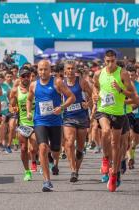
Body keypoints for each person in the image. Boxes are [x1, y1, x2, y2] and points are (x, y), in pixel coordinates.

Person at [27, 60, 75, 192]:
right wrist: (29, 111)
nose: (43, 72)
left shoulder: (57, 82)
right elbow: (29, 99)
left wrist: (62, 107)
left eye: (45, 69)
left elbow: (72, 97)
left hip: (55, 122)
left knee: (55, 150)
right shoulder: (33, 85)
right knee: (42, 147)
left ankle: (51, 160)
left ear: (50, 70)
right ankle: (47, 181)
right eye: (40, 69)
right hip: (39, 121)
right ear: (37, 70)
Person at [93, 50, 135, 192]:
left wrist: (120, 90)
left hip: (118, 112)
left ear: (116, 60)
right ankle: (105, 159)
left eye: (112, 61)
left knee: (115, 145)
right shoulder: (99, 74)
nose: (110, 64)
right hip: (103, 110)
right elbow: (95, 87)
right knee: (105, 131)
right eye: (107, 61)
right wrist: (95, 95)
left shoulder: (122, 73)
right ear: (104, 61)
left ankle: (114, 174)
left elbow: (132, 94)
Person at [62, 61, 92, 183]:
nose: (70, 71)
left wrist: (88, 104)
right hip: (68, 117)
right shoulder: (61, 83)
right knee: (69, 143)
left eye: (72, 68)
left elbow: (93, 96)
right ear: (65, 71)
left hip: (81, 117)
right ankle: (73, 170)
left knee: (80, 148)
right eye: (68, 69)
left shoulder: (82, 82)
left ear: (75, 70)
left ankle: (77, 171)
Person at [9, 67, 38, 181]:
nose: (26, 78)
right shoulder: (15, 90)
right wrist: (13, 108)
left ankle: (34, 160)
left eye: (28, 76)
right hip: (23, 123)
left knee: (34, 147)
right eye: (23, 76)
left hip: (36, 122)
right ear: (19, 77)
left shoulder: (36, 87)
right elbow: (12, 105)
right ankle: (27, 171)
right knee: (23, 148)